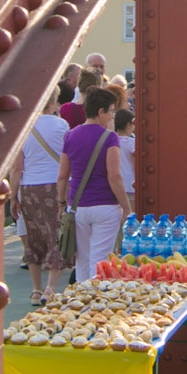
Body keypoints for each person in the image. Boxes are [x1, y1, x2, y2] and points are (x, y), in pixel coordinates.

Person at [58, 87, 132, 284]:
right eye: (110, 111)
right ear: (100, 112)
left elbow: (63, 175)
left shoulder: (70, 136)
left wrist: (61, 202)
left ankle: (81, 303)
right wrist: (126, 207)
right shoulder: (110, 138)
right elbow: (114, 175)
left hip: (77, 205)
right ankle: (96, 302)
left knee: (82, 259)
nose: (112, 116)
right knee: (100, 258)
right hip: (106, 205)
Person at [12, 93, 70, 303]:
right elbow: (68, 158)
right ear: (53, 101)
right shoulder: (62, 125)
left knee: (33, 237)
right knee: (56, 235)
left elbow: (17, 166)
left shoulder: (24, 127)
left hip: (28, 187)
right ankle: (50, 288)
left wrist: (13, 196)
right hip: (54, 185)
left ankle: (36, 289)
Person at [114, 108, 136, 211]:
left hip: (114, 185)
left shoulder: (110, 141)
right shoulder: (132, 142)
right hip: (130, 183)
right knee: (130, 213)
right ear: (128, 125)